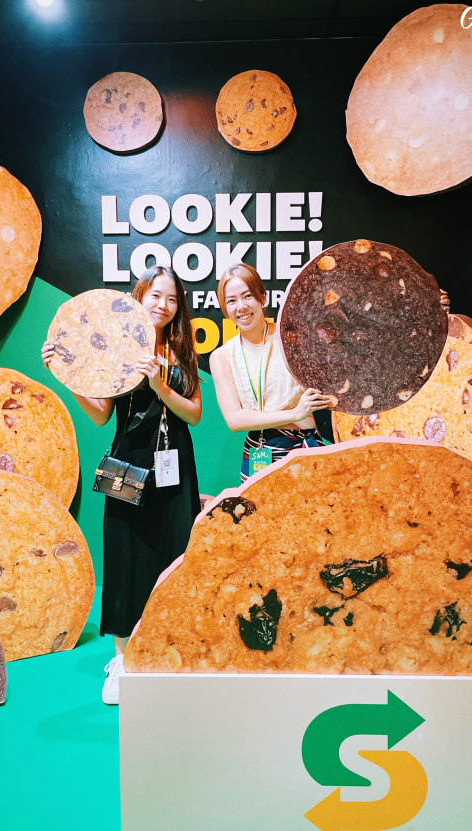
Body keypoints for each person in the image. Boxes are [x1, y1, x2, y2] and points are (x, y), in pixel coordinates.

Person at [42, 265, 202, 705]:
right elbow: (100, 415)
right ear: (139, 297)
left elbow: (193, 414)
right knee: (125, 555)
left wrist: (160, 384)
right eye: (156, 296)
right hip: (128, 462)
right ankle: (122, 660)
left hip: (175, 465)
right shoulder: (117, 344)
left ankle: (170, 651)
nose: (163, 306)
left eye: (172, 299)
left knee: (176, 553)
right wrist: (63, 372)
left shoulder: (182, 349)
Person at [209, 263, 331, 481]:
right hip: (259, 451)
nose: (241, 307)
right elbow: (234, 420)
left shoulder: (292, 338)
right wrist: (294, 413)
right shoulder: (222, 356)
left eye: (248, 296)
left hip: (304, 446)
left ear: (262, 297)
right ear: (225, 308)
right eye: (231, 300)